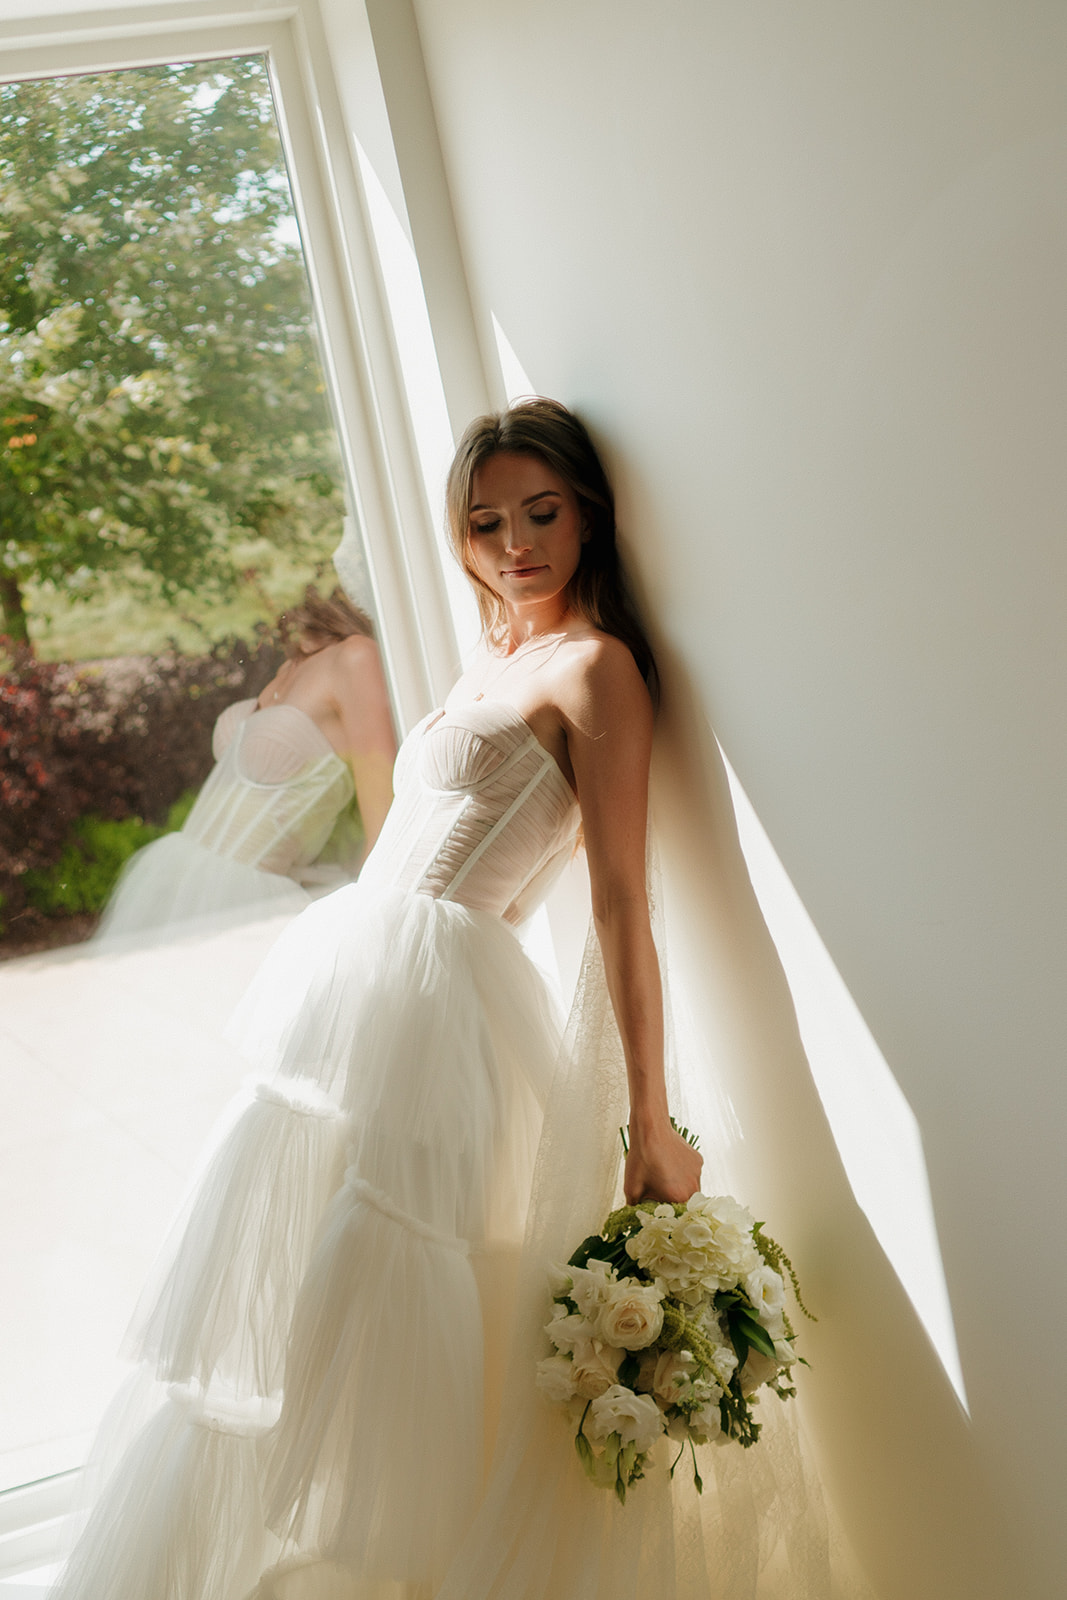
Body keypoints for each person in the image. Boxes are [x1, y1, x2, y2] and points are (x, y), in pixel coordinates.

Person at [53, 401, 853, 1600]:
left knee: (387, 1284)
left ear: (586, 512)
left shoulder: (597, 669)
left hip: (444, 1006)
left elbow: (620, 900)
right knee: (286, 1294)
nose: (513, 542)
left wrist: (647, 1120)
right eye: (485, 523)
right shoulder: (500, 659)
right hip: (364, 989)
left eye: (540, 513)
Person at [92, 587, 397, 945]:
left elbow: (384, 821)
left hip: (249, 901)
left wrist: (374, 930)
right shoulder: (291, 665)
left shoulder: (357, 658)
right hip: (183, 880)